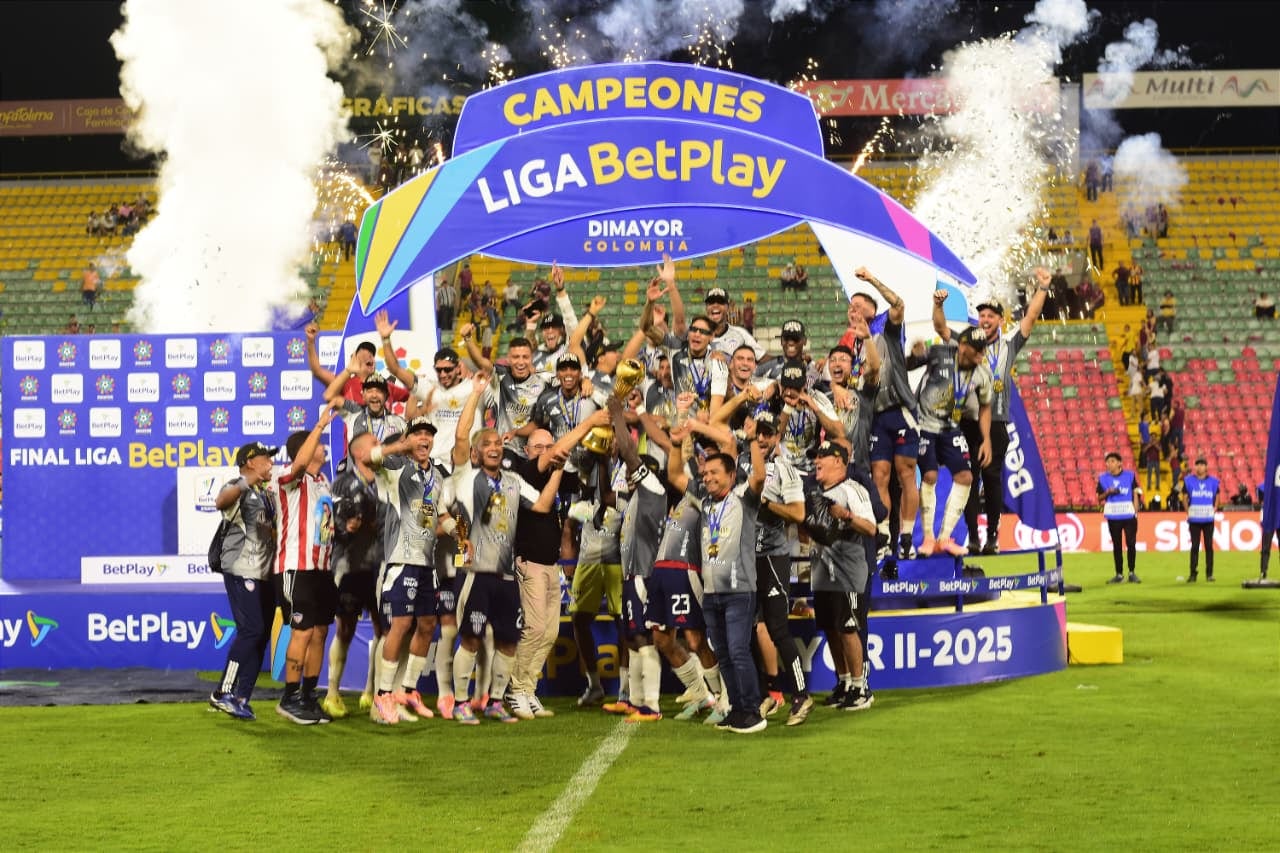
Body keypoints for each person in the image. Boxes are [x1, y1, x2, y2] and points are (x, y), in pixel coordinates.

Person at [443, 421, 564, 724]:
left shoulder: (512, 481)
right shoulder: (465, 480)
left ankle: (496, 701)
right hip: (475, 572)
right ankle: (460, 703)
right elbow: (439, 509)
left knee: (509, 640)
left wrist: (559, 471)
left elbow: (542, 506)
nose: (494, 447)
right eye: (487, 444)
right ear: (475, 452)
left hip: (507, 575)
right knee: (471, 638)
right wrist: (459, 534)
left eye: (498, 443)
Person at [935, 269, 1050, 555]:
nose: (985, 320)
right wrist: (938, 306)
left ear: (1000, 320)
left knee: (992, 477)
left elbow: (1031, 318)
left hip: (996, 422)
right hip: (967, 422)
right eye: (982, 315)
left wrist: (1043, 288)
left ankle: (993, 537)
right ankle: (973, 537)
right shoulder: (967, 340)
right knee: (968, 479)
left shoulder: (1009, 343)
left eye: (991, 316)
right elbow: (941, 330)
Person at [666, 420, 768, 734]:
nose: (707, 477)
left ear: (730, 475)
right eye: (705, 474)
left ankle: (753, 712)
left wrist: (751, 439)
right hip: (712, 592)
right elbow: (674, 475)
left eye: (714, 473)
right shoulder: (705, 500)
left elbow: (760, 476)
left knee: (738, 650)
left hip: (739, 590)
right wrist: (674, 445)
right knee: (723, 653)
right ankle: (737, 710)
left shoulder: (744, 499)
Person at [367, 417, 457, 725]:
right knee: (401, 624)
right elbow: (371, 457)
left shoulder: (437, 476)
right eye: (417, 433)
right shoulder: (395, 470)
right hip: (401, 559)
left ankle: (407, 690)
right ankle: (382, 694)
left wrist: (460, 532)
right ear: (408, 439)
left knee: (427, 624)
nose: (423, 438)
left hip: (426, 562)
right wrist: (400, 445)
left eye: (427, 434)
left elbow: (439, 516)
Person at [272, 407, 341, 724]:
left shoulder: (324, 481)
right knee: (301, 630)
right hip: (295, 567)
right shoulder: (287, 477)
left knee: (320, 631)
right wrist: (319, 424)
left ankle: (309, 696)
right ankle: (288, 698)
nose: (324, 446)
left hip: (322, 569)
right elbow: (299, 463)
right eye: (318, 442)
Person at [849, 267, 919, 565]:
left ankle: (906, 538)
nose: (852, 309)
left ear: (872, 310)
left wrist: (871, 279)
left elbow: (899, 303)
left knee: (906, 476)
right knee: (880, 477)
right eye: (850, 306)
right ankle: (884, 538)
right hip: (875, 417)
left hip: (901, 411)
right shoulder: (853, 344)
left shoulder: (887, 331)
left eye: (858, 305)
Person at [208, 442, 281, 721]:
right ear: (250, 462)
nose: (271, 463)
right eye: (266, 459)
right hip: (240, 570)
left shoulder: (266, 493)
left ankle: (241, 697)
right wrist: (248, 479)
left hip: (263, 573)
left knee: (260, 635)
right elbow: (220, 501)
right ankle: (222, 693)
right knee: (251, 630)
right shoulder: (238, 486)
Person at [802, 440, 877, 711]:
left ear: (839, 461)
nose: (816, 461)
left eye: (822, 456)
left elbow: (871, 528)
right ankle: (844, 683)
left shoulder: (852, 489)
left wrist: (844, 515)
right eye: (815, 456)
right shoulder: (814, 492)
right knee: (832, 630)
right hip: (823, 573)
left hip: (848, 572)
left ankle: (860, 688)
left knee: (847, 628)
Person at [911, 323, 993, 556]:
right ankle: (928, 537)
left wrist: (986, 439)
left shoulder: (983, 374)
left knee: (966, 477)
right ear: (963, 346)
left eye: (983, 349)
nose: (981, 354)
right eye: (977, 349)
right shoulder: (939, 353)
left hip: (950, 427)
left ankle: (945, 538)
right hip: (923, 425)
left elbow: (986, 406)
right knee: (929, 475)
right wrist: (916, 354)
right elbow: (909, 364)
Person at [322, 430, 386, 719]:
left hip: (378, 565)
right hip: (348, 567)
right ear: (359, 453)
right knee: (344, 629)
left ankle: (371, 692)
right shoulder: (344, 483)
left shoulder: (386, 481)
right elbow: (331, 521)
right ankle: (332, 693)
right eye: (375, 444)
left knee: (382, 630)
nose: (380, 448)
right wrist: (344, 525)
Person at [1098, 452, 1143, 584]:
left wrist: (1135, 510)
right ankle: (1118, 574)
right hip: (1113, 516)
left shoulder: (1129, 475)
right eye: (1107, 462)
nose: (1109, 464)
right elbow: (1099, 497)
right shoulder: (1103, 478)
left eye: (1112, 461)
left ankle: (1131, 572)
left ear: (1119, 463)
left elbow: (1136, 492)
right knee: (1117, 545)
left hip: (1128, 515)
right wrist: (1108, 492)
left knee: (1131, 543)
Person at [1181, 458, 1221, 583]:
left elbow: (1217, 496)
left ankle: (1209, 573)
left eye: (1202, 465)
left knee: (1209, 546)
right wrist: (1188, 511)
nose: (1199, 467)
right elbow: (1184, 497)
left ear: (1206, 467)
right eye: (1197, 465)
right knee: (1194, 546)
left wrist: (1215, 508)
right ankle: (1193, 573)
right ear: (1195, 467)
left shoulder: (1214, 482)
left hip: (1208, 519)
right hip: (1194, 519)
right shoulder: (1188, 481)